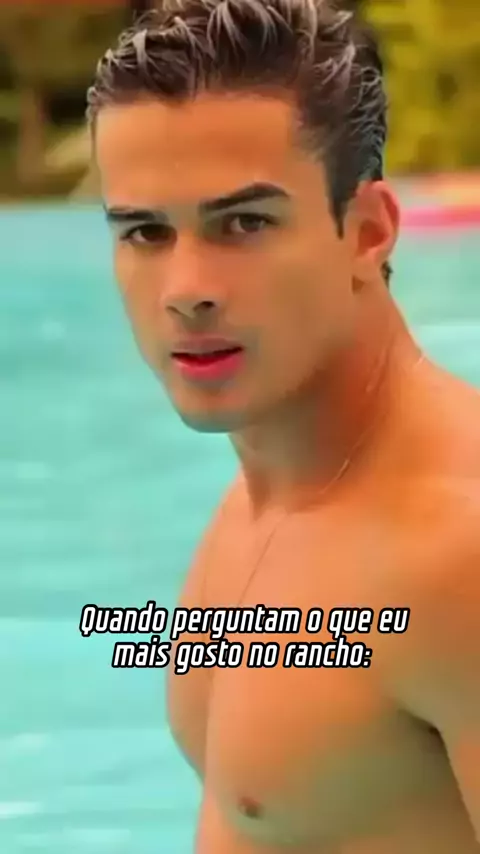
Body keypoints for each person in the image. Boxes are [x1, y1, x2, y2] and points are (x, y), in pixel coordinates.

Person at [87, 0, 480, 850]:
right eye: (147, 232)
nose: (187, 290)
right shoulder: (264, 497)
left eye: (244, 223)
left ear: (367, 232)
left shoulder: (458, 554)